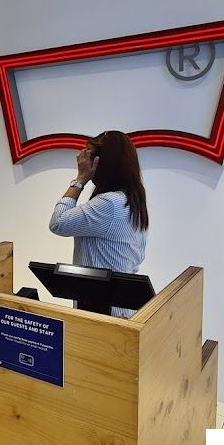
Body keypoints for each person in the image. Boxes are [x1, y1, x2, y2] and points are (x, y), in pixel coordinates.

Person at [48, 131, 149, 317]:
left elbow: (58, 223)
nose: (83, 161)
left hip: (103, 311)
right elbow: (137, 258)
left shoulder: (110, 203)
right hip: (122, 308)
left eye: (90, 156)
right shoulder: (132, 200)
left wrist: (79, 180)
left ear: (101, 163)